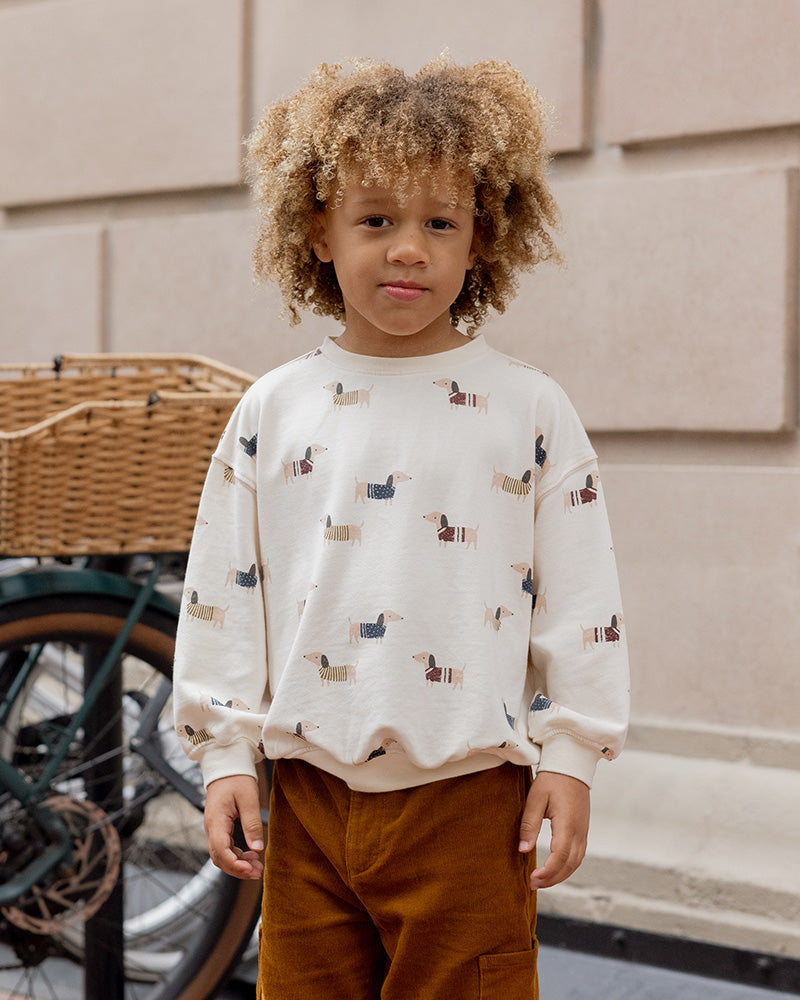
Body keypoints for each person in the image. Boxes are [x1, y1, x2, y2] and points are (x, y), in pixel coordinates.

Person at [173, 54, 630, 1000]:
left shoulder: (529, 409)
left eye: (439, 222)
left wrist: (575, 755)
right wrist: (224, 754)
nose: (408, 248)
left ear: (481, 239)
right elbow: (224, 592)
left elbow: (583, 596)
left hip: (471, 804)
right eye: (375, 219)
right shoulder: (273, 408)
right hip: (305, 802)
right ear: (318, 228)